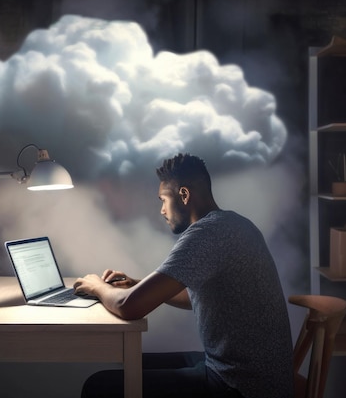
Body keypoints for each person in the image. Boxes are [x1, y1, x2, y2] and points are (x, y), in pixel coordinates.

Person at [74, 153, 294, 398]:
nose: (161, 210)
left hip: (239, 386)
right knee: (132, 362)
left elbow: (129, 307)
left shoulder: (205, 234)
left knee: (99, 386)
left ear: (184, 195)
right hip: (254, 377)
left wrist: (96, 286)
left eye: (163, 200)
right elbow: (197, 297)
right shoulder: (234, 224)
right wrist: (138, 285)